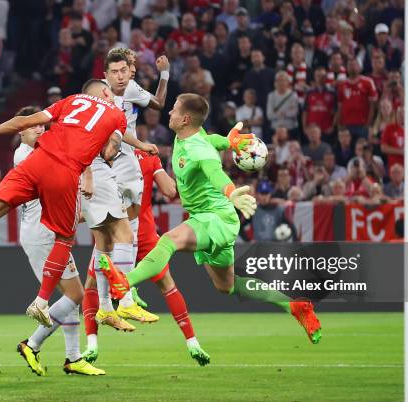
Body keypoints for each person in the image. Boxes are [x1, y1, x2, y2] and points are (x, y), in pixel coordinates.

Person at [100, 94, 322, 345]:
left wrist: (230, 192)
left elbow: (215, 172)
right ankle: (296, 305)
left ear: (184, 119)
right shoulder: (192, 135)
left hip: (214, 218)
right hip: (212, 217)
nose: (169, 113)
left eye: (173, 110)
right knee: (227, 286)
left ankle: (124, 283)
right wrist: (228, 142)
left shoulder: (199, 150)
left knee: (169, 241)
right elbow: (210, 140)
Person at [0, 79, 128, 329]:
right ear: (107, 92)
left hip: (38, 160)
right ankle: (41, 300)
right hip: (63, 172)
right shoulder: (118, 115)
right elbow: (110, 151)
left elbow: (26, 121)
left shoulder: (73, 100)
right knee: (64, 238)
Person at [82, 146, 211, 366]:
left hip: (112, 234)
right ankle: (193, 343)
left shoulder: (101, 154)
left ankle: (91, 345)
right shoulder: (147, 156)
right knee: (168, 286)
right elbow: (170, 191)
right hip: (145, 236)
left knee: (92, 286)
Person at [79, 49, 168, 356]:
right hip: (101, 165)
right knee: (119, 234)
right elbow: (107, 136)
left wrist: (164, 75)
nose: (118, 78)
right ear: (106, 74)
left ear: (130, 71)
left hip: (117, 159)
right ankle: (122, 300)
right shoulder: (98, 95)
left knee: (111, 236)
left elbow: (155, 106)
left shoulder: (129, 89)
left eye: (123, 71)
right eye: (113, 72)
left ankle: (107, 305)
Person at [10, 106, 103, 376]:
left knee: (72, 297)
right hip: (41, 235)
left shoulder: (44, 151)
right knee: (75, 295)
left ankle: (72, 358)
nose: (40, 129)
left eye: (42, 125)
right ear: (21, 130)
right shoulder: (24, 156)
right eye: (33, 126)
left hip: (54, 233)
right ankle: (32, 343)